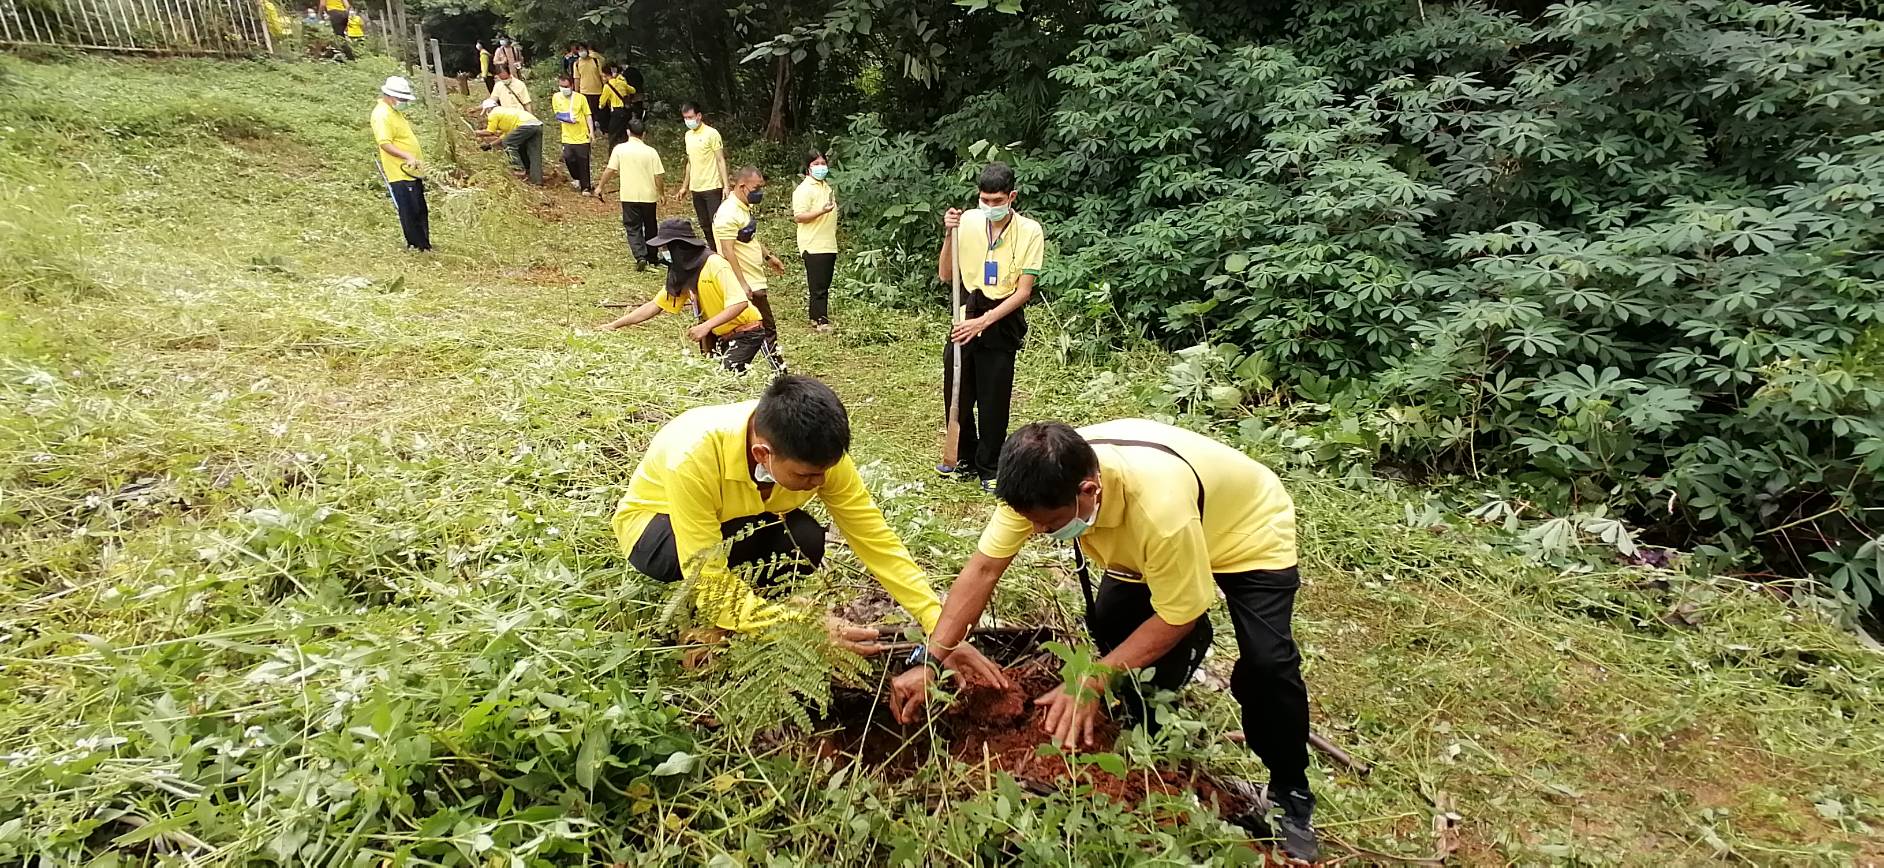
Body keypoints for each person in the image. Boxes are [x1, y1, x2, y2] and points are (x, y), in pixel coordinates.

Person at [887, 420, 1321, 861]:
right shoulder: (1035, 481)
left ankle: (1290, 796)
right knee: (1112, 621)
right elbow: (983, 571)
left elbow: (1179, 614)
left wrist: (1092, 679)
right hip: (1153, 544)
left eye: (1049, 524)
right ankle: (1148, 714)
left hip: (1244, 530)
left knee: (1267, 665)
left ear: (1089, 490)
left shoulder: (1159, 512)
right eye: (1031, 523)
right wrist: (931, 659)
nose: (1037, 532)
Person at [610, 373, 944, 649]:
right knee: (708, 568)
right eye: (806, 476)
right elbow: (705, 573)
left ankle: (747, 613)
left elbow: (875, 538)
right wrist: (803, 628)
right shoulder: (693, 458)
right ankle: (729, 619)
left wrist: (937, 621)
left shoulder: (820, 457)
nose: (820, 482)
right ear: (762, 454)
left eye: (824, 472)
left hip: (734, 527)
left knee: (804, 539)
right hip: (658, 532)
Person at [935, 162, 1041, 492]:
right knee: (956, 387)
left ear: (1012, 197)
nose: (990, 206)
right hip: (968, 310)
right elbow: (946, 275)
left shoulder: (1030, 231)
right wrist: (949, 234)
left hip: (1002, 317)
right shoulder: (967, 221)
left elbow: (1023, 292)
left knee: (994, 397)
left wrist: (984, 321)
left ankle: (990, 465)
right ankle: (963, 457)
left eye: (997, 201)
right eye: (985, 200)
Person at [597, 218, 772, 372]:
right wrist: (614, 325)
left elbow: (740, 303)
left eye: (666, 248)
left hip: (746, 332)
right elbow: (654, 306)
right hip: (721, 335)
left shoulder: (715, 264)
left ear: (679, 247)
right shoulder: (683, 272)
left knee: (723, 378)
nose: (663, 252)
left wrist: (706, 326)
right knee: (711, 378)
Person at [714, 166, 786, 346]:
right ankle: (775, 362)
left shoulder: (743, 206)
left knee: (758, 328)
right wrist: (742, 283)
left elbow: (749, 237)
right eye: (756, 188)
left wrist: (768, 257)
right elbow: (727, 250)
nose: (759, 192)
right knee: (765, 329)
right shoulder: (728, 213)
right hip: (747, 281)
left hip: (754, 277)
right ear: (741, 186)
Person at [594, 117, 663, 271]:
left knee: (633, 227)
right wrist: (661, 193)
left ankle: (640, 256)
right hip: (649, 196)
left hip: (629, 196)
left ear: (627, 132)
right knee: (651, 226)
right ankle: (652, 256)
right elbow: (658, 176)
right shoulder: (651, 152)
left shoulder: (620, 149)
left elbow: (610, 170)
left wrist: (600, 187)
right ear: (643, 134)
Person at [370, 76, 429, 252]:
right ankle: (416, 246)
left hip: (412, 172)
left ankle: (424, 245)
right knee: (410, 210)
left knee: (419, 209)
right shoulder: (382, 115)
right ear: (390, 96)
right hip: (400, 172)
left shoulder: (394, 112)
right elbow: (385, 143)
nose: (404, 102)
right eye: (401, 98)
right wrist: (407, 156)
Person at [791, 151, 838, 332]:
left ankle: (815, 317)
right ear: (808, 167)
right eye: (816, 164)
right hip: (813, 243)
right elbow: (799, 216)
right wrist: (822, 211)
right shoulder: (804, 190)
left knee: (823, 283)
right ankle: (821, 321)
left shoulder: (826, 187)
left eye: (823, 163)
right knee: (818, 286)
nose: (821, 167)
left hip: (828, 242)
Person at [674, 102, 728, 253]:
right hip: (696, 188)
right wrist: (684, 186)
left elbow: (720, 160)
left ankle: (724, 252)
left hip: (712, 186)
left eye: (690, 117)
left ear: (699, 116)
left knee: (716, 224)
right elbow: (690, 162)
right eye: (685, 118)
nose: (688, 121)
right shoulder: (688, 136)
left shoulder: (711, 134)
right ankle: (714, 252)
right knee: (704, 224)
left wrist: (726, 186)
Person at [475, 99, 544, 186]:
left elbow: (490, 132)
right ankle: (536, 180)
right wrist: (490, 145)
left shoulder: (493, 113)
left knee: (508, 143)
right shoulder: (505, 114)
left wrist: (475, 133)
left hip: (526, 125)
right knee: (534, 153)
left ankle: (518, 169)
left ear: (487, 109)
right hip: (536, 124)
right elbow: (504, 136)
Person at [550, 74, 593, 193]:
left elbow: (588, 115)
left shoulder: (581, 98)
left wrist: (591, 132)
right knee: (569, 158)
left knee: (583, 161)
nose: (564, 89)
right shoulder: (556, 97)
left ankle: (586, 187)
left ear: (572, 86)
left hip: (582, 135)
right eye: (561, 86)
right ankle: (576, 177)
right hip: (567, 136)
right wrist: (566, 118)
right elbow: (557, 114)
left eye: (566, 86)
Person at [597, 64, 635, 152]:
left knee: (613, 134)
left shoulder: (607, 87)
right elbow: (633, 90)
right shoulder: (622, 82)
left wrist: (600, 107)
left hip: (616, 112)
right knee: (623, 133)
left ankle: (612, 153)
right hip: (626, 111)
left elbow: (602, 102)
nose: (603, 78)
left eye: (604, 76)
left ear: (607, 75)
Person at [572, 45, 607, 129]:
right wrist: (576, 92)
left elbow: (601, 75)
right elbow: (577, 79)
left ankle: (601, 128)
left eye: (583, 49)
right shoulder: (577, 63)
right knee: (588, 112)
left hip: (598, 90)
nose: (582, 52)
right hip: (584, 91)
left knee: (599, 112)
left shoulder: (595, 60)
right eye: (579, 50)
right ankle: (591, 129)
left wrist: (605, 86)